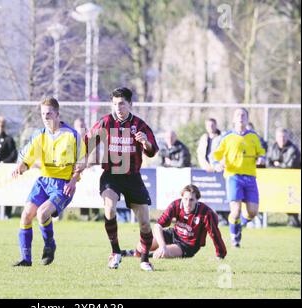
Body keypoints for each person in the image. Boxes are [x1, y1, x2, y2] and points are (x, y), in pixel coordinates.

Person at [85, 87, 159, 271]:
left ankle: (144, 259)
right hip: (111, 175)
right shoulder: (106, 122)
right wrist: (80, 161)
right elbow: (88, 142)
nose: (118, 107)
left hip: (133, 177)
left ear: (130, 104)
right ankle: (116, 252)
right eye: (115, 103)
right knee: (109, 209)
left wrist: (145, 143)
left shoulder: (139, 125)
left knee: (144, 222)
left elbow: (152, 150)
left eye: (122, 103)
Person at [12, 97, 86, 267]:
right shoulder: (40, 135)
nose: (46, 117)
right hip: (44, 181)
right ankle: (26, 259)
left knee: (42, 213)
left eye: (49, 113)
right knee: (26, 214)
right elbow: (27, 159)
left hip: (63, 184)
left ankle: (50, 244)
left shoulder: (72, 135)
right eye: (43, 114)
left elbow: (82, 162)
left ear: (57, 114)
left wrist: (74, 181)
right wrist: (20, 167)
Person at [125, 185, 227, 259]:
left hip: (187, 245)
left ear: (197, 200)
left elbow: (215, 234)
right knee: (142, 245)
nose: (188, 203)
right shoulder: (176, 205)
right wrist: (162, 246)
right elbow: (157, 226)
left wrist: (220, 255)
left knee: (163, 254)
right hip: (173, 234)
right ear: (181, 197)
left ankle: (146, 257)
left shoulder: (206, 213)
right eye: (185, 199)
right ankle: (132, 253)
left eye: (191, 200)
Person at [213, 108, 266, 248]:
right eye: (238, 115)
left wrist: (261, 158)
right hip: (233, 176)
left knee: (252, 212)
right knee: (235, 211)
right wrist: (217, 164)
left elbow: (262, 152)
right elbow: (215, 155)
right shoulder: (227, 136)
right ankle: (234, 238)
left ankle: (238, 225)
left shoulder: (254, 137)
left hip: (250, 177)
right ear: (233, 119)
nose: (241, 117)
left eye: (243, 115)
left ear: (247, 119)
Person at [266, 127, 301, 227]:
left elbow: (289, 165)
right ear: (276, 138)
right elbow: (268, 164)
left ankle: (294, 220)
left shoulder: (293, 149)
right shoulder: (272, 148)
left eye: (284, 136)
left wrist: (277, 164)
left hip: (291, 183)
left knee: (292, 206)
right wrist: (277, 165)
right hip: (275, 181)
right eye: (280, 137)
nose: (282, 139)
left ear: (288, 137)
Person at [196, 118, 228, 226]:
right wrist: (206, 166)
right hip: (207, 170)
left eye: (212, 125)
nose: (210, 127)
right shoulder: (203, 138)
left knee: (221, 194)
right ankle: (206, 218)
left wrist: (219, 165)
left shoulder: (222, 137)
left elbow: (225, 153)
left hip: (220, 170)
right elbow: (200, 154)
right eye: (208, 125)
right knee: (208, 195)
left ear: (216, 125)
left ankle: (223, 218)